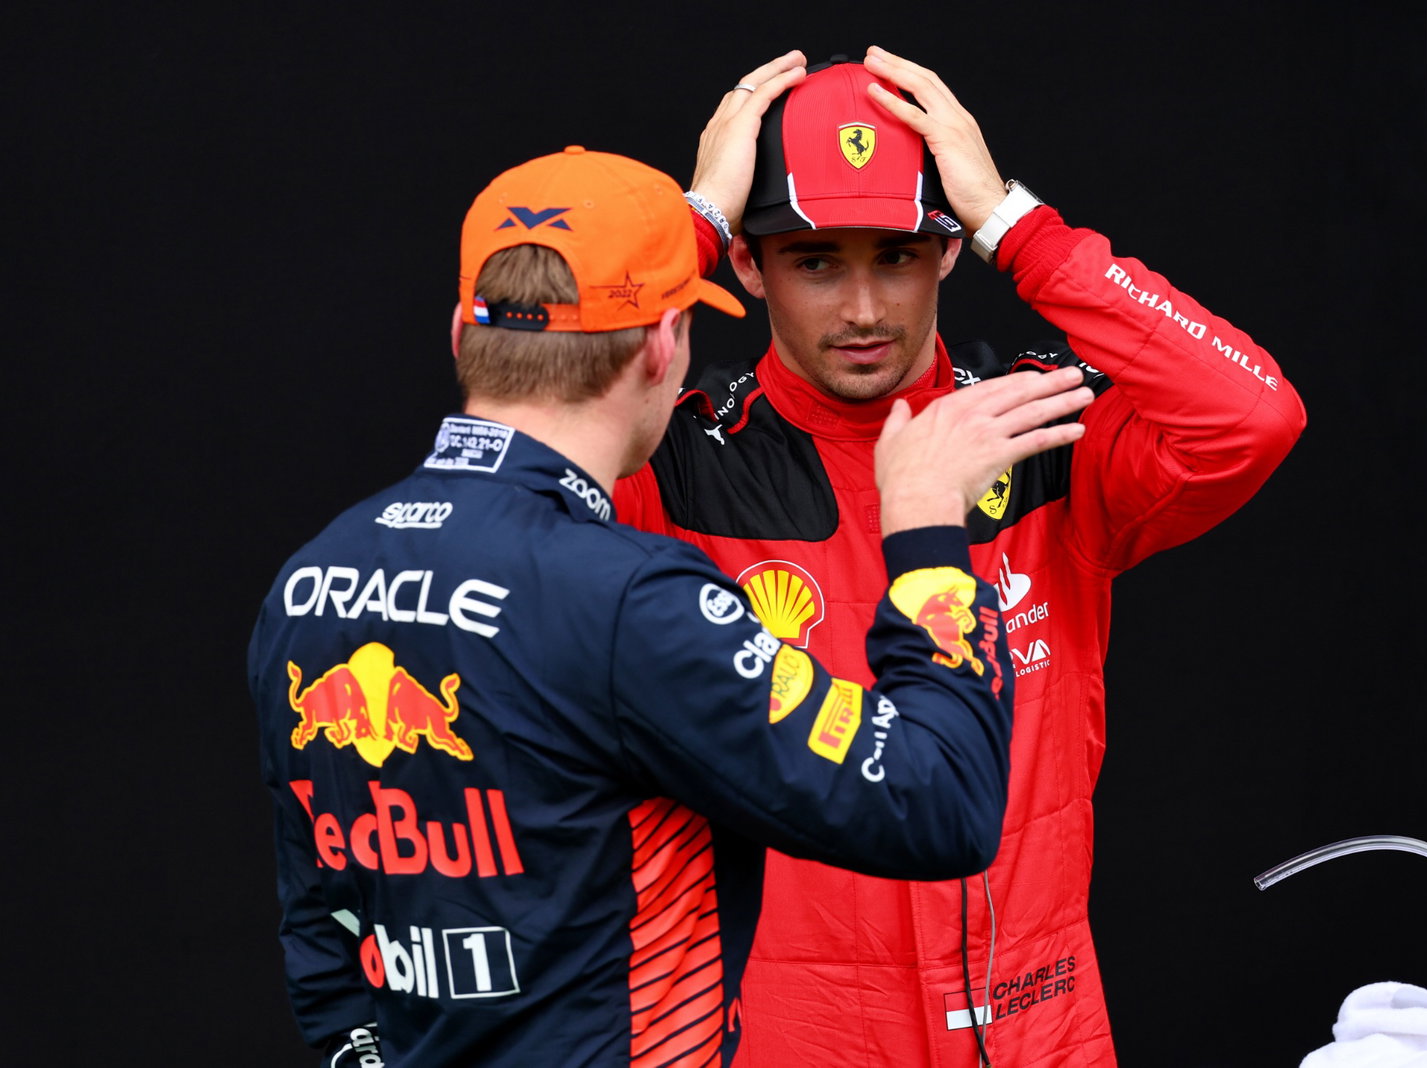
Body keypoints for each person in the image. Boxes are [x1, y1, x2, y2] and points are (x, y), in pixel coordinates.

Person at [249, 146, 1097, 1066]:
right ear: (665, 343)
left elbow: (323, 936)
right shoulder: (632, 600)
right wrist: (930, 532)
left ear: (461, 334)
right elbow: (940, 801)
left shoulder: (311, 580)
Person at [612, 48, 1309, 1067]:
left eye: (895, 255)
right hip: (788, 1037)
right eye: (815, 262)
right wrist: (690, 231)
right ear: (750, 269)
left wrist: (1016, 226)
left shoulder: (1034, 433)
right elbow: (541, 409)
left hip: (1040, 1023)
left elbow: (1251, 416)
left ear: (946, 254)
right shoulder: (667, 464)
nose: (862, 308)